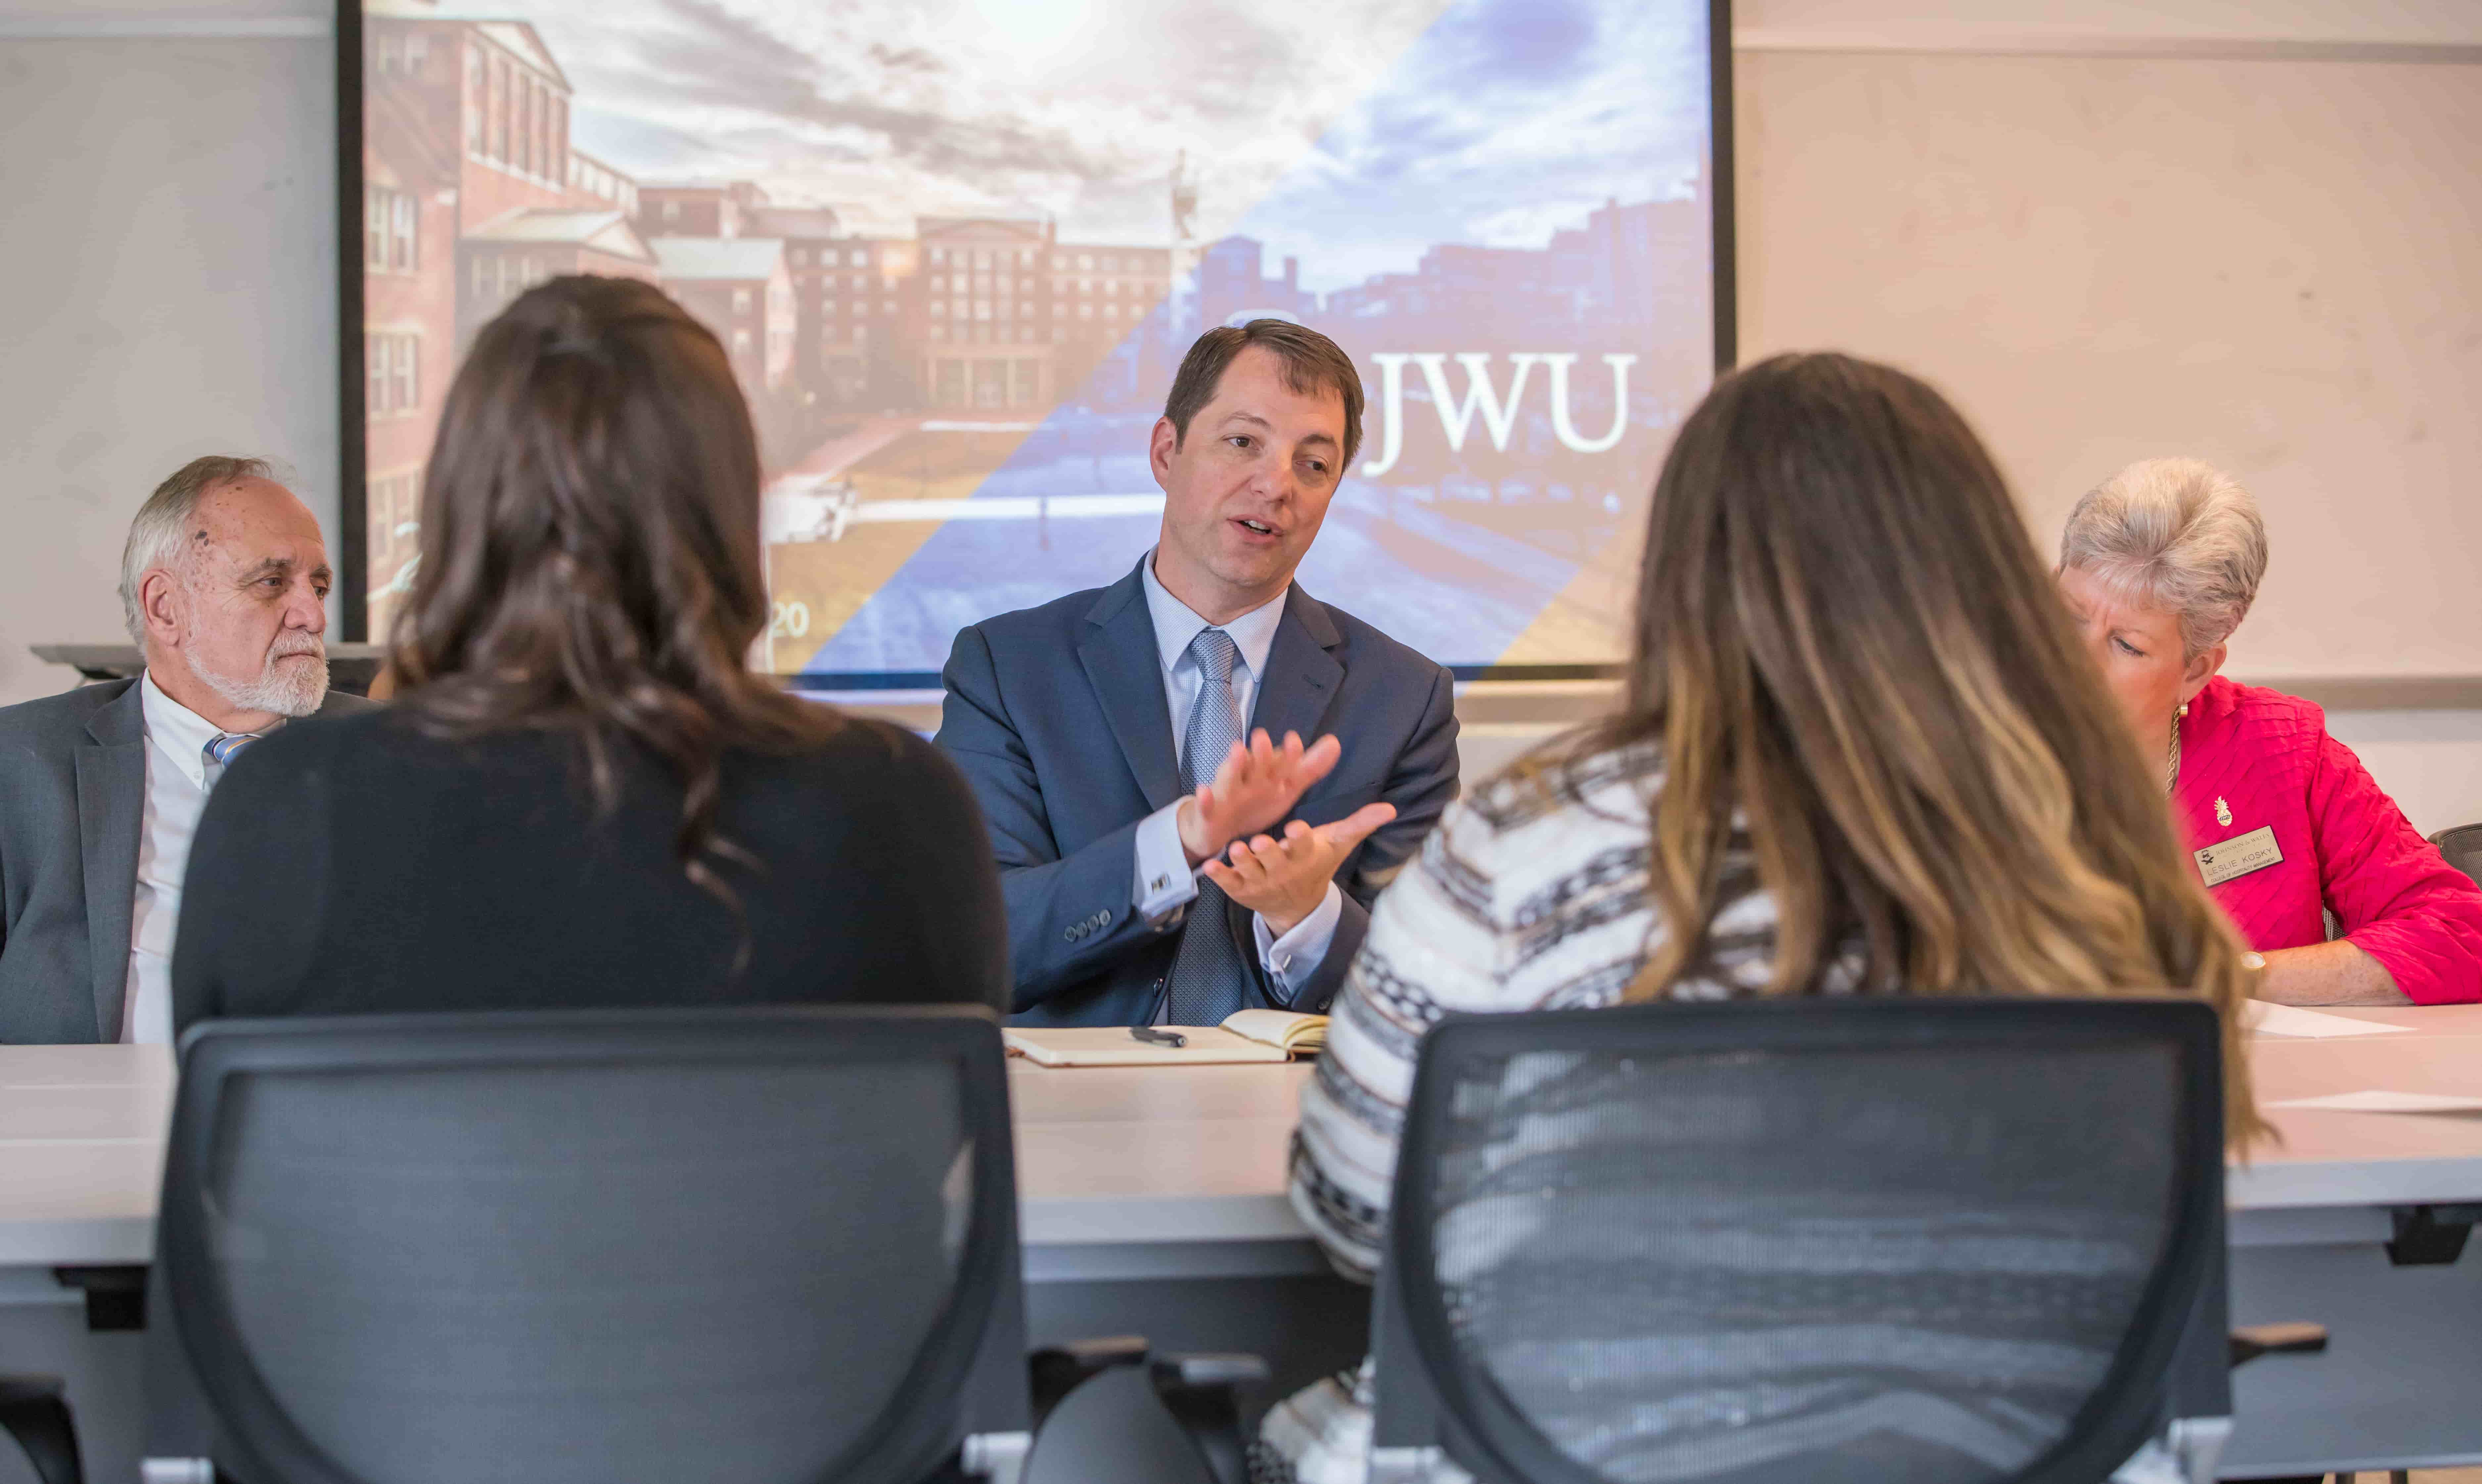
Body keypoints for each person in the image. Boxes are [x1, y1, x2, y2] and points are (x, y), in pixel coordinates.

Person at [1260, 354, 2266, 1483]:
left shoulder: (1528, 845)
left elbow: (1353, 1215)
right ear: (1988, 581)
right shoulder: (2090, 849)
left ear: (1685, 578)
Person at [172, 276, 1006, 1030]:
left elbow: (239, 1150)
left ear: (462, 508)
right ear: (727, 507)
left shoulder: (286, 805)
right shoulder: (898, 806)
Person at [937, 320, 1459, 1026]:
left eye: (1314, 464)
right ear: (1165, 451)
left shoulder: (1404, 696)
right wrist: (1179, 842)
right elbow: (975, 950)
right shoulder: (1009, 669)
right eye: (1243, 442)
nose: (1276, 485)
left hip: (1291, 1118)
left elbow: (1431, 986)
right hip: (1079, 1115)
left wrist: (1308, 915)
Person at [2058, 458, 2482, 1005]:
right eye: (2067, 618)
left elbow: (2459, 936)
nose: (2071, 661)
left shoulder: (2278, 747)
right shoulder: (1959, 742)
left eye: (2128, 646)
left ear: (2195, 671)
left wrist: (2231, 980)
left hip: (2249, 1081)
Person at [0, 457, 373, 1044]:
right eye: (272, 582)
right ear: (165, 608)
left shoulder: (396, 754)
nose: (314, 615)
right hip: (90, 1123)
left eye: (318, 586)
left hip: (339, 1116)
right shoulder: (19, 764)